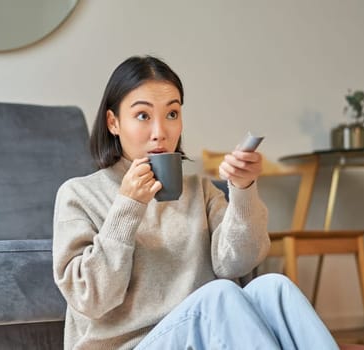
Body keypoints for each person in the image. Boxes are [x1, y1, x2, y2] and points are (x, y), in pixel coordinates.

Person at [52, 55, 338, 350]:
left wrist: (243, 190)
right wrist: (128, 206)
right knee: (219, 295)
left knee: (274, 288)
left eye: (172, 114)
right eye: (143, 116)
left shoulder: (199, 190)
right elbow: (90, 298)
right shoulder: (79, 194)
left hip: (205, 337)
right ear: (113, 122)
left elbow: (238, 263)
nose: (160, 132)